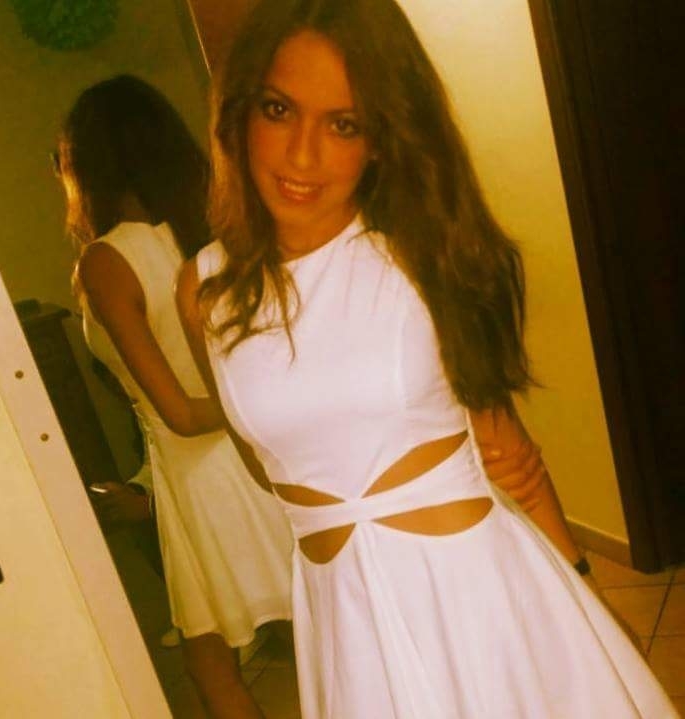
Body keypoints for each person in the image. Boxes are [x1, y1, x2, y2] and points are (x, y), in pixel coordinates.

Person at [176, 1, 677, 717]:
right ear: (240, 110)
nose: (301, 156)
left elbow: (511, 455)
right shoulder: (204, 288)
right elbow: (269, 464)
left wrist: (585, 587)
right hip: (346, 622)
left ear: (382, 139)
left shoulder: (422, 258)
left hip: (480, 605)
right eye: (279, 109)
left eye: (343, 124)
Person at [55, 74, 293, 719]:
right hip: (254, 459)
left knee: (218, 660)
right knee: (257, 642)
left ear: (86, 166)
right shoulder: (210, 234)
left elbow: (181, 414)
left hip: (207, 480)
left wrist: (245, 408)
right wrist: (263, 409)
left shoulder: (106, 260)